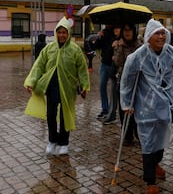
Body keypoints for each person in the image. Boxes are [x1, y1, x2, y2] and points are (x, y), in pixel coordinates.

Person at [120, 19, 173, 194]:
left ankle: (156, 162)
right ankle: (150, 180)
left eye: (163, 33)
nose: (161, 36)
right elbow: (127, 81)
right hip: (145, 107)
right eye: (157, 33)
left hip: (166, 104)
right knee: (148, 142)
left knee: (161, 140)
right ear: (148, 36)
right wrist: (127, 103)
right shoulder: (137, 57)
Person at [24, 16, 90, 155]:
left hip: (68, 87)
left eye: (64, 32)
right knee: (51, 114)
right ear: (55, 33)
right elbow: (38, 66)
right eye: (59, 32)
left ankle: (64, 142)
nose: (61, 35)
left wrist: (84, 86)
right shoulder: (49, 49)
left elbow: (82, 69)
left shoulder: (75, 50)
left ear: (68, 33)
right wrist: (31, 81)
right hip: (51, 86)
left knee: (65, 115)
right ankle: (52, 140)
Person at [103, 22, 143, 149]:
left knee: (138, 108)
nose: (127, 32)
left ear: (134, 31)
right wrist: (119, 48)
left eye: (130, 30)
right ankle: (127, 135)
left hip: (137, 81)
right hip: (123, 81)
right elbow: (117, 62)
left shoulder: (139, 45)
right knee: (124, 108)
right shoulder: (119, 44)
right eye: (125, 30)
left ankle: (139, 134)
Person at [95, 24, 116, 119]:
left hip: (114, 65)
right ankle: (105, 109)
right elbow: (96, 46)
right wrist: (99, 37)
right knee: (102, 86)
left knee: (113, 90)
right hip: (104, 64)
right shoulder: (103, 32)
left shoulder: (117, 32)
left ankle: (112, 111)